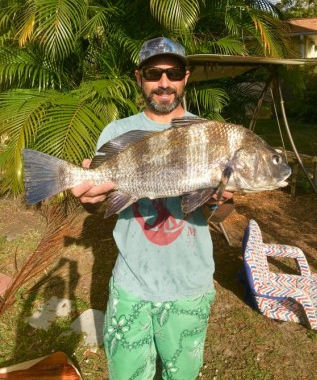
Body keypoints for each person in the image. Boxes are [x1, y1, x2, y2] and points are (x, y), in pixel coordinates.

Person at [72, 37, 233, 380]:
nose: (164, 82)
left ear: (185, 77)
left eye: (173, 72)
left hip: (190, 285)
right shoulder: (118, 132)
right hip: (132, 283)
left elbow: (215, 216)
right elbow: (102, 201)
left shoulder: (210, 135)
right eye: (153, 73)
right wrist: (89, 199)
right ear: (139, 78)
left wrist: (220, 202)